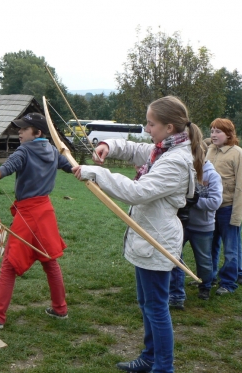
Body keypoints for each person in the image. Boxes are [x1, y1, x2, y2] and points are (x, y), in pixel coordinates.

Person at [73, 96, 203, 373]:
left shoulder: (176, 161)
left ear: (169, 127)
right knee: (147, 304)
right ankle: (149, 357)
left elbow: (137, 192)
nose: (146, 128)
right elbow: (135, 150)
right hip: (148, 238)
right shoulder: (164, 150)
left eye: (151, 123)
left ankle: (162, 367)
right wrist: (108, 145)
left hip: (157, 242)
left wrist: (95, 172)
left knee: (156, 308)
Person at [0, 113, 72, 328]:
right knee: (49, 261)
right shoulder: (52, 150)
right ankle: (60, 309)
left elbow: (4, 170)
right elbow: (71, 167)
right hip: (45, 211)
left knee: (9, 264)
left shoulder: (26, 150)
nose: (19, 132)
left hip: (30, 214)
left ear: (37, 132)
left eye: (24, 129)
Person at [169, 146, 223, 309]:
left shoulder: (212, 176)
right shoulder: (186, 171)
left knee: (204, 259)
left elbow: (215, 202)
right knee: (173, 255)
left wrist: (195, 201)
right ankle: (174, 288)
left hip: (203, 226)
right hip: (182, 223)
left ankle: (205, 286)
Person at [206, 118, 242, 295]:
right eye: (212, 131)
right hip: (210, 208)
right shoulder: (209, 150)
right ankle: (210, 277)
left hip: (228, 208)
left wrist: (236, 215)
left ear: (229, 134)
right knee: (210, 247)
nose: (213, 135)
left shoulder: (238, 154)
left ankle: (228, 283)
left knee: (231, 249)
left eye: (218, 131)